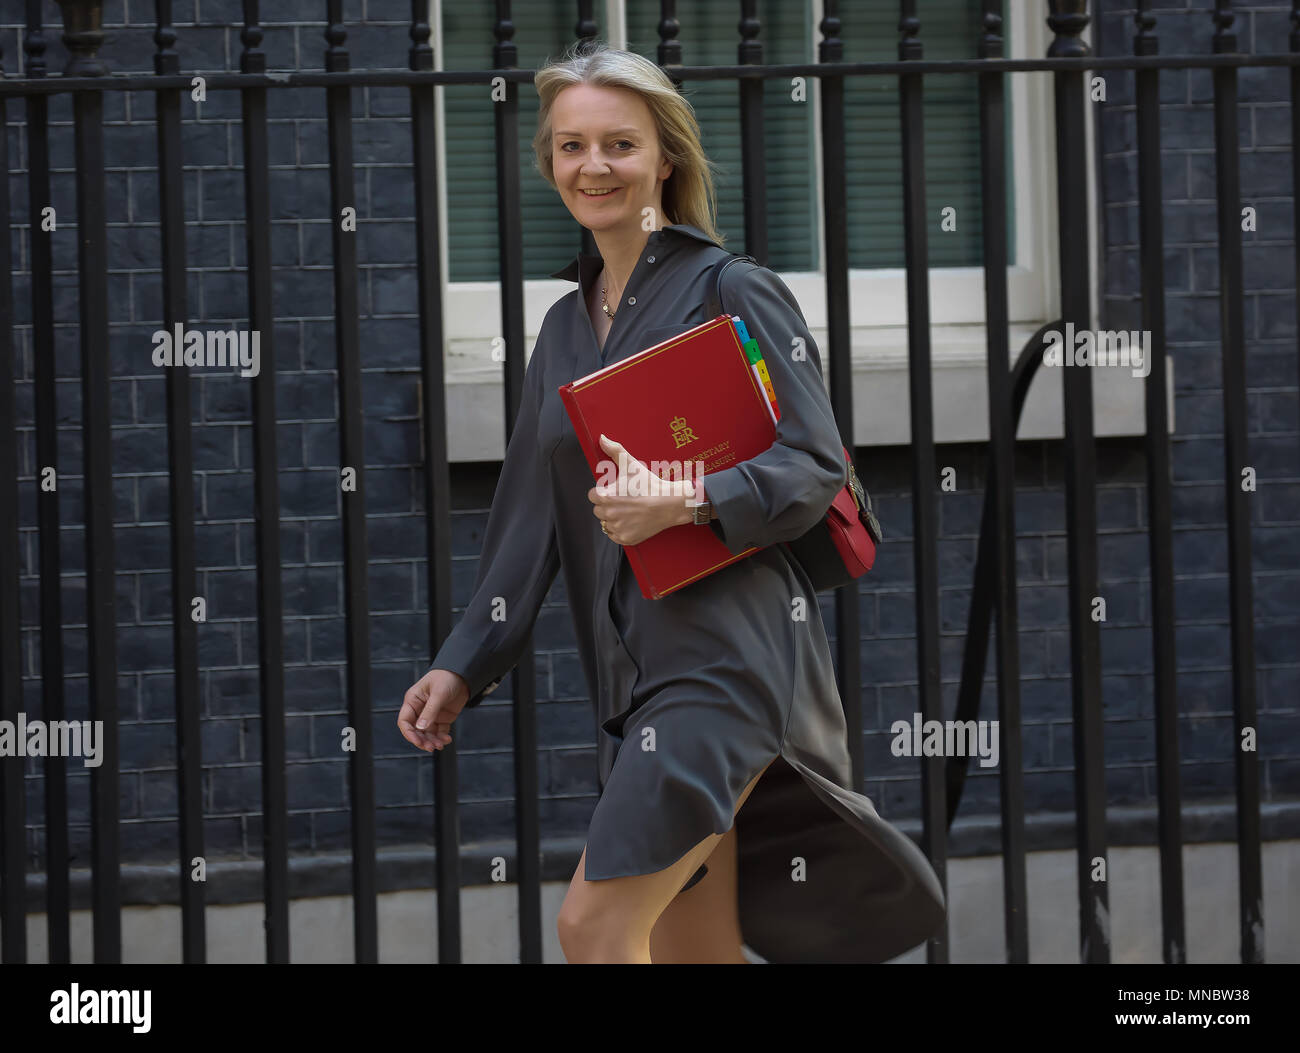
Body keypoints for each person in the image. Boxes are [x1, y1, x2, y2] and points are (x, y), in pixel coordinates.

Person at [398, 42, 945, 964]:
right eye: (571, 147)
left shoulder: (732, 289)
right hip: (636, 676)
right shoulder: (563, 327)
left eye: (619, 144)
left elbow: (815, 465)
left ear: (666, 160)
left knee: (596, 926)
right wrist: (464, 662)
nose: (593, 167)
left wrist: (687, 501)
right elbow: (530, 516)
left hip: (730, 665)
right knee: (695, 948)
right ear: (551, 163)